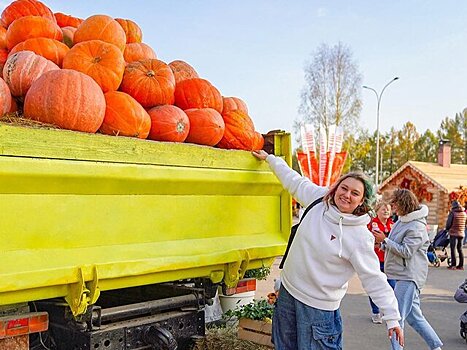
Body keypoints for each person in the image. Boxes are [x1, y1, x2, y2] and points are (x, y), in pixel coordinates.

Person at [252, 150, 403, 350]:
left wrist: (392, 317)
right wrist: (271, 159)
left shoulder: (359, 236)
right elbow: (294, 181)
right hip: (288, 294)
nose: (347, 195)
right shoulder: (318, 200)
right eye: (344, 188)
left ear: (362, 201)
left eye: (355, 193)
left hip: (318, 310)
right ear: (336, 188)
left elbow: (373, 278)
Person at [373, 188, 443, 350]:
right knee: (414, 318)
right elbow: (396, 245)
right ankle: (436, 347)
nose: (392, 207)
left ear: (403, 203)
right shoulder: (403, 220)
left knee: (396, 318)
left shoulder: (416, 226)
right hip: (405, 274)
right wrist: (383, 243)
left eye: (395, 203)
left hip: (409, 276)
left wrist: (385, 240)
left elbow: (407, 251)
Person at [367, 200, 396, 324]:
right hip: (375, 259)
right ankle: (375, 312)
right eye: (383, 209)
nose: (386, 211)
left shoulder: (393, 224)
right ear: (377, 211)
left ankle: (389, 311)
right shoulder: (372, 224)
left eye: (388, 209)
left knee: (392, 286)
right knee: (376, 286)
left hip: (390, 260)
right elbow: (367, 238)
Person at [445, 200, 466, 270]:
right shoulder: (464, 213)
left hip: (453, 233)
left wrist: (447, 229)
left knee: (453, 249)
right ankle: (461, 265)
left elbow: (448, 224)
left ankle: (453, 265)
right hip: (461, 233)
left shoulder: (452, 213)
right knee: (460, 249)